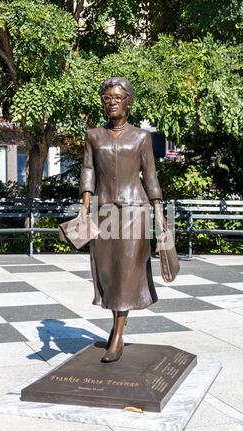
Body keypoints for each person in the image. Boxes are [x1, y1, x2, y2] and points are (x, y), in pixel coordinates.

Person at [79, 77, 167, 363]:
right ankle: (116, 324)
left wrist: (159, 211)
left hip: (134, 211)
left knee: (127, 273)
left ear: (128, 102)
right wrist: (85, 204)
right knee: (107, 271)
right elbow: (88, 169)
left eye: (117, 98)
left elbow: (150, 175)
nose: (111, 102)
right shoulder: (94, 135)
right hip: (103, 211)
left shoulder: (142, 137)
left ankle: (117, 335)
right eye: (107, 98)